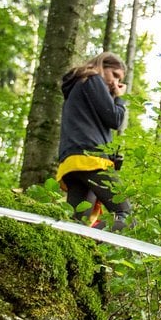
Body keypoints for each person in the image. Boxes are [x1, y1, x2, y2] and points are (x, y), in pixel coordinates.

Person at [56, 52, 132, 231]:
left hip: (73, 162)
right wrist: (120, 99)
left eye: (119, 79)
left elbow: (94, 122)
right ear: (101, 65)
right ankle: (92, 243)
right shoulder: (93, 79)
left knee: (78, 226)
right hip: (90, 159)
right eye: (114, 75)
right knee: (127, 217)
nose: (115, 82)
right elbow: (114, 119)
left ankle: (80, 248)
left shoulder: (80, 86)